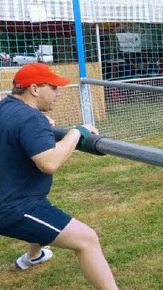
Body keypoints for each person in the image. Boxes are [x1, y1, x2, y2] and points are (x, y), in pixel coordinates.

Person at [0, 63, 117, 289]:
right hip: (13, 207)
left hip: (16, 194)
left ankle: (33, 256)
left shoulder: (6, 106)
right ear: (34, 89)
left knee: (43, 209)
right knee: (87, 239)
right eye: (53, 88)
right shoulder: (30, 119)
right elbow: (50, 163)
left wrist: (40, 123)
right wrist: (76, 133)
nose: (58, 93)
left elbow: (19, 128)